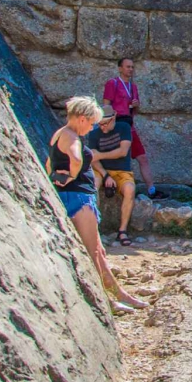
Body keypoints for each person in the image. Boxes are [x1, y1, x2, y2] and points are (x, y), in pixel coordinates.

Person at [49, 97, 146, 315]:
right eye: (92, 123)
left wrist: (56, 177)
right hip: (79, 198)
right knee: (94, 253)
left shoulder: (59, 133)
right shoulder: (72, 137)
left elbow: (49, 163)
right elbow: (75, 159)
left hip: (73, 195)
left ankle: (118, 294)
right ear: (82, 119)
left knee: (99, 250)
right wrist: (72, 175)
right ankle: (111, 299)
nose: (93, 127)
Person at [102, 58, 158, 198]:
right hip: (117, 125)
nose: (130, 69)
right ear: (120, 68)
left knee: (142, 157)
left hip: (129, 125)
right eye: (127, 67)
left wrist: (136, 105)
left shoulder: (133, 87)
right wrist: (110, 124)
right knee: (118, 157)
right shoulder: (112, 83)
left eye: (132, 67)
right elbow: (106, 105)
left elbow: (135, 111)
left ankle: (152, 190)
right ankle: (114, 186)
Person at [87, 103, 136, 247]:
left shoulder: (123, 128)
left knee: (130, 189)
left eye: (104, 124)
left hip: (122, 171)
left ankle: (122, 230)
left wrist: (100, 155)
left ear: (113, 117)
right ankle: (93, 227)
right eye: (99, 124)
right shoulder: (94, 134)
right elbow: (93, 160)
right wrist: (105, 175)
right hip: (101, 170)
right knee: (93, 185)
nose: (102, 127)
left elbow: (122, 151)